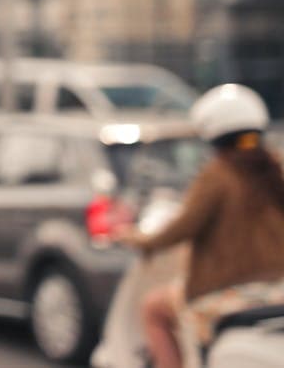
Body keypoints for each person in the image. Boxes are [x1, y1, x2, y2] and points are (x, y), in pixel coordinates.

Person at [118, 84, 284, 368]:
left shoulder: (217, 175)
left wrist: (138, 240)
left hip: (226, 289)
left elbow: (183, 227)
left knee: (154, 308)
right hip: (279, 286)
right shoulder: (275, 167)